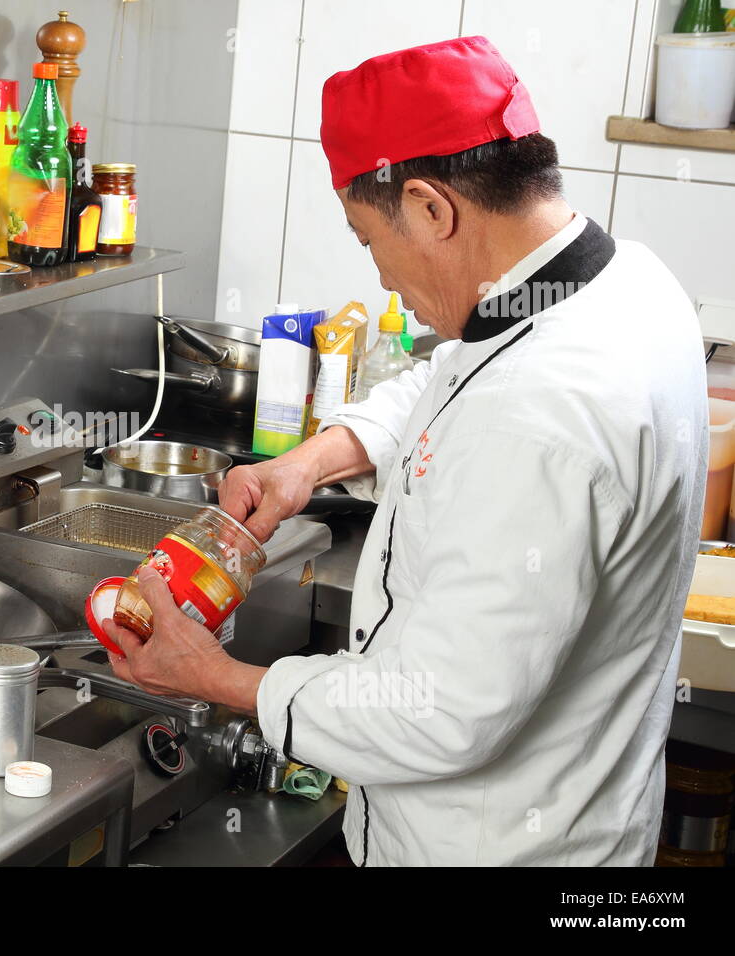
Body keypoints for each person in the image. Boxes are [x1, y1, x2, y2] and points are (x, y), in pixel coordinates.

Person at [100, 36, 708, 866]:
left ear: (430, 207)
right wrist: (313, 460)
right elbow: (447, 379)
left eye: (366, 238)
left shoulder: (542, 411)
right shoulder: (615, 282)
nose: (383, 278)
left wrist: (214, 677)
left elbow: (437, 712)